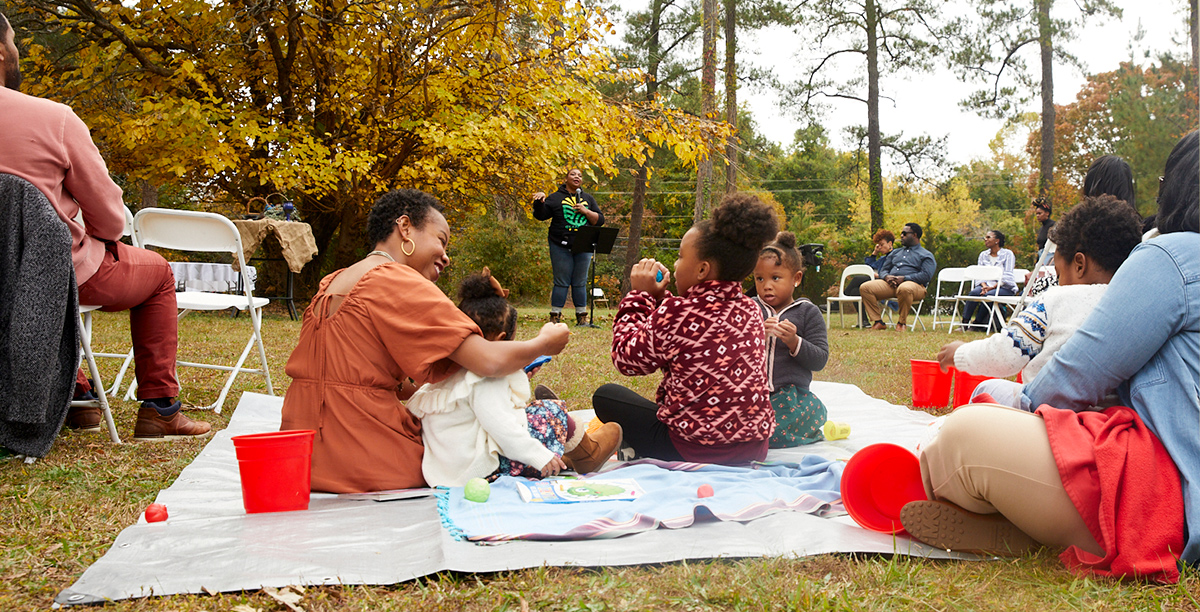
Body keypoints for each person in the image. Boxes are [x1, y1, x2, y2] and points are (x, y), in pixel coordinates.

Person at [901, 131, 1199, 583]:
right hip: (1171, 489)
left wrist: (1017, 404)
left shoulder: (1172, 258)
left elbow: (1079, 374)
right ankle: (1029, 530)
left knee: (959, 441)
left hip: (1162, 497)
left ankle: (1028, 529)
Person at [0, 11, 210, 440]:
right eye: (15, 41)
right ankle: (160, 408)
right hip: (52, 273)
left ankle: (78, 392)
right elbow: (112, 221)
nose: (18, 51)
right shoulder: (52, 119)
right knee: (158, 274)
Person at [280, 189, 571, 493]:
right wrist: (543, 343)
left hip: (301, 455)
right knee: (518, 419)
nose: (445, 255)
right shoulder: (397, 280)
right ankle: (576, 450)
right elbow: (489, 361)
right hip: (364, 455)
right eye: (441, 240)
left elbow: (352, 374)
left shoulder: (334, 280)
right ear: (404, 227)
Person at [592, 193, 778, 464]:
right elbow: (694, 325)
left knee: (606, 396)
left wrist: (639, 296)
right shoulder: (750, 309)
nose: (676, 265)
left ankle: (628, 447)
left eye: (680, 257)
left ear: (702, 270)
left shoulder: (676, 314)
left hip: (692, 450)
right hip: (754, 449)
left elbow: (626, 358)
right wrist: (658, 300)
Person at [406, 270, 622, 486]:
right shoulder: (485, 379)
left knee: (525, 418)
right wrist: (538, 456)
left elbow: (473, 410)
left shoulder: (445, 370)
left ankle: (563, 459)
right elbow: (502, 427)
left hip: (448, 470)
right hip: (482, 470)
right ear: (501, 341)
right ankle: (588, 454)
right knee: (549, 412)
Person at [935, 196, 1144, 408]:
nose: (1059, 281)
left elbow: (1006, 354)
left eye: (1059, 273)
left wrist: (960, 352)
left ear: (1079, 264)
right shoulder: (1136, 307)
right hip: (1107, 420)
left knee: (985, 389)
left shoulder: (1056, 300)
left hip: (1044, 415)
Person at [750, 231, 830, 447]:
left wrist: (795, 342)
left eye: (775, 278)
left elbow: (820, 359)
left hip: (790, 397)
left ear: (796, 278)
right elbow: (730, 351)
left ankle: (767, 434)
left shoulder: (807, 312)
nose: (766, 285)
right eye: (759, 278)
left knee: (778, 423)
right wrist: (756, 336)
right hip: (750, 394)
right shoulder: (749, 308)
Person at [532, 168, 605, 326]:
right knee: (562, 281)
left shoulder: (587, 198)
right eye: (573, 174)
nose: (577, 177)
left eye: (579, 175)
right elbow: (540, 215)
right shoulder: (555, 197)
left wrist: (586, 211)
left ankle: (582, 319)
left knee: (580, 282)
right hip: (560, 244)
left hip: (583, 245)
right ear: (566, 179)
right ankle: (555, 318)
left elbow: (599, 220)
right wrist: (539, 203)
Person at [858, 223, 936, 331]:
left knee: (905, 288)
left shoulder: (926, 255)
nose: (901, 236)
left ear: (914, 235)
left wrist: (904, 278)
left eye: (905, 233)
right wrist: (887, 277)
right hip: (891, 285)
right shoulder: (895, 253)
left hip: (915, 287)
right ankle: (878, 322)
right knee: (865, 287)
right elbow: (884, 269)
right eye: (901, 234)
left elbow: (926, 275)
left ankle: (901, 323)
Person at [958, 230, 1017, 331]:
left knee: (989, 296)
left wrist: (992, 287)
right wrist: (984, 286)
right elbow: (980, 273)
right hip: (985, 286)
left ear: (997, 241)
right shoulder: (983, 255)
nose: (985, 239)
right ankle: (964, 323)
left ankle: (977, 322)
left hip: (1004, 287)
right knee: (973, 293)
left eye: (988, 237)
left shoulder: (1008, 254)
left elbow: (1007, 275)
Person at [844, 229, 894, 297]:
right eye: (878, 245)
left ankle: (836, 304)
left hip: (887, 283)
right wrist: (875, 252)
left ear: (890, 243)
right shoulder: (883, 259)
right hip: (877, 282)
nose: (880, 247)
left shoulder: (896, 256)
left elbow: (895, 273)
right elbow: (869, 267)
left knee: (857, 279)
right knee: (855, 291)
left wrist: (879, 275)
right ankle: (864, 308)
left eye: (881, 244)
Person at [1032, 197, 1055, 262]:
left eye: (1040, 213)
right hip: (1041, 256)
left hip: (1051, 257)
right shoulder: (1041, 228)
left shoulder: (1054, 226)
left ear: (1047, 213)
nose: (1037, 216)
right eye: (1036, 214)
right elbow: (1040, 247)